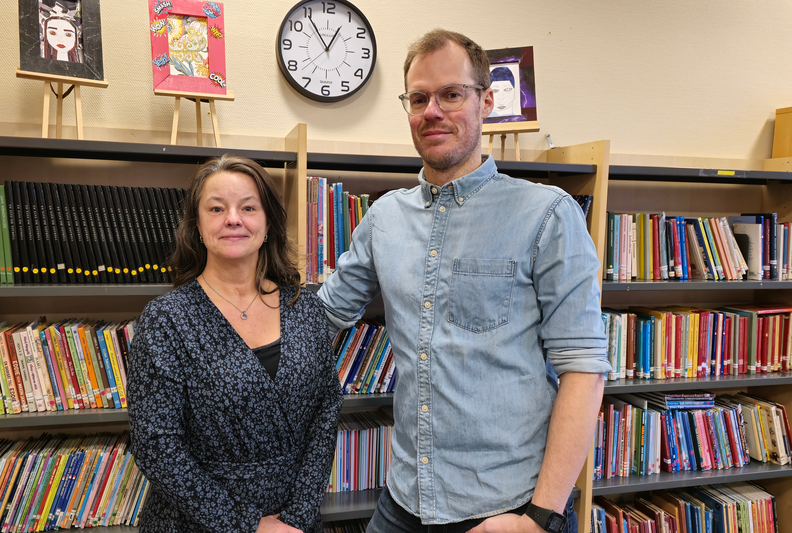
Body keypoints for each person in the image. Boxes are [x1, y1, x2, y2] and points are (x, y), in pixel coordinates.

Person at [317, 29, 611, 533]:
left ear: (486, 102)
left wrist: (538, 518)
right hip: (402, 498)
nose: (432, 110)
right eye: (418, 97)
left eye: (451, 94)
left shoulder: (547, 214)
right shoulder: (384, 217)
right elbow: (320, 318)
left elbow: (583, 371)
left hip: (503, 509)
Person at [129, 155, 342, 533]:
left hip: (294, 519)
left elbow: (326, 410)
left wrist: (297, 517)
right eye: (216, 208)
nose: (233, 219)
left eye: (248, 207)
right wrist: (249, 525)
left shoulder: (305, 306)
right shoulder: (165, 320)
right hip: (196, 521)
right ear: (197, 225)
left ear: (268, 223)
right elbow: (156, 446)